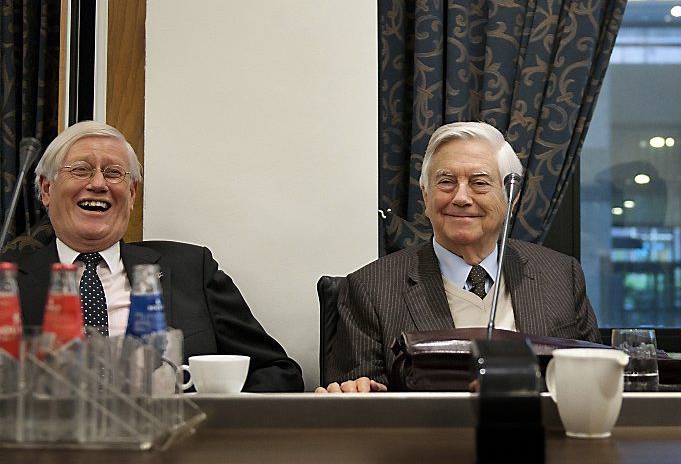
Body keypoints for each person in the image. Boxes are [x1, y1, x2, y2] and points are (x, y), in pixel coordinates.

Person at [1, 121, 304, 392]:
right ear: (46, 189)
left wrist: (211, 420)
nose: (98, 183)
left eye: (114, 173)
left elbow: (278, 372)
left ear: (131, 194)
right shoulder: (8, 283)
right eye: (80, 169)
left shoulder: (191, 269)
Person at [319, 121, 600, 393]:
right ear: (426, 197)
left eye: (479, 183)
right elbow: (358, 399)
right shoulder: (370, 288)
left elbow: (596, 380)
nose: (461, 198)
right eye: (446, 182)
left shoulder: (561, 275)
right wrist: (361, 391)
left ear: (510, 200)